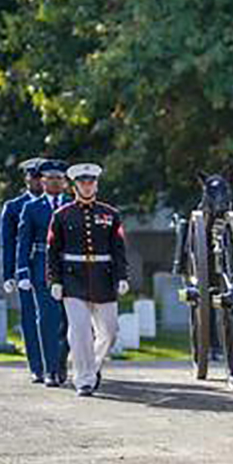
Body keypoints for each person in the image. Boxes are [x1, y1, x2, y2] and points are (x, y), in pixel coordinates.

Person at [48, 163, 129, 397]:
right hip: (73, 279)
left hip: (103, 278)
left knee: (110, 332)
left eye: (91, 182)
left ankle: (91, 366)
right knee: (80, 330)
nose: (87, 186)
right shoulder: (62, 215)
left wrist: (122, 276)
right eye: (83, 182)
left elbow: (119, 249)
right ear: (75, 186)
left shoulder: (110, 214)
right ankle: (83, 380)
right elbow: (53, 250)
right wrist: (55, 280)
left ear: (96, 184)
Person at [15, 159, 71, 387]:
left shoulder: (73, 205)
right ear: (43, 181)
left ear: (65, 182)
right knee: (47, 320)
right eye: (50, 179)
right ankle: (49, 370)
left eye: (59, 179)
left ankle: (60, 363)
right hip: (42, 268)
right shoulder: (32, 208)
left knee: (69, 322)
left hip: (71, 270)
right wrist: (22, 272)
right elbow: (23, 242)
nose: (54, 183)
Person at [0, 157, 45, 383]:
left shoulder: (57, 203)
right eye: (33, 177)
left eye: (40, 177)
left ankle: (54, 364)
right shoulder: (14, 207)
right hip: (26, 268)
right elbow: (8, 243)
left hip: (53, 267)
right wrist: (9, 274)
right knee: (30, 317)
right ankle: (36, 366)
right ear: (26, 179)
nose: (37, 181)